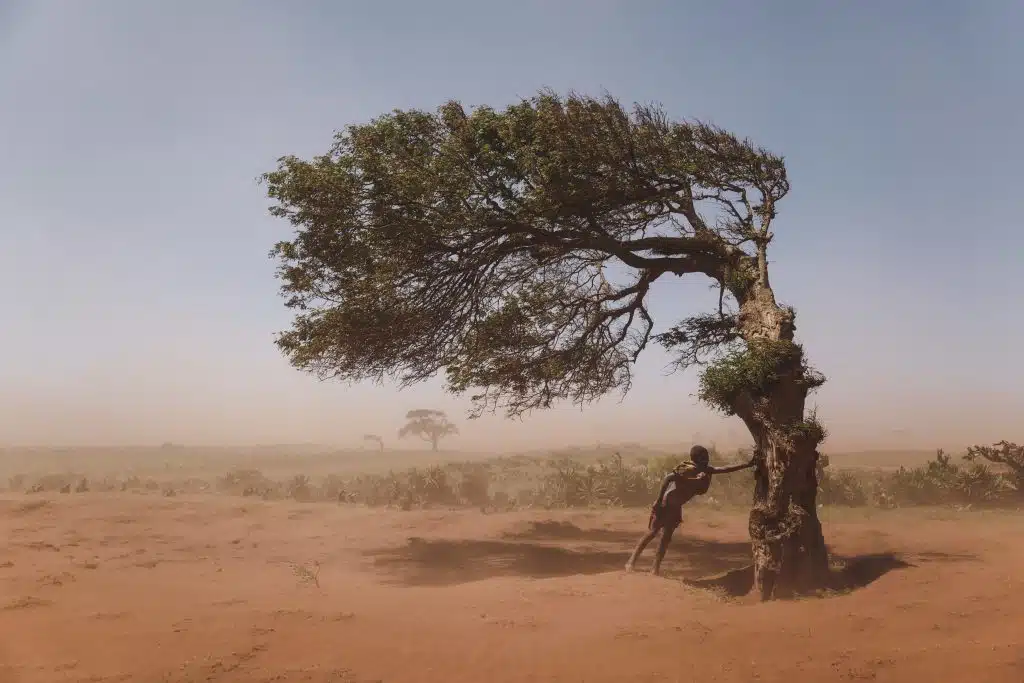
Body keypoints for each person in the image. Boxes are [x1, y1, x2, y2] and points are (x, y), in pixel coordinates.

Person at [624, 445, 756, 576]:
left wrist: (747, 464)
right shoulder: (687, 469)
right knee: (652, 533)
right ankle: (631, 562)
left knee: (665, 538)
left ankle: (655, 569)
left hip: (676, 507)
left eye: (707, 457)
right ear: (697, 458)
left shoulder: (705, 470)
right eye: (704, 457)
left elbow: (725, 469)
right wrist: (659, 500)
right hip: (666, 503)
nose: (707, 459)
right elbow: (668, 479)